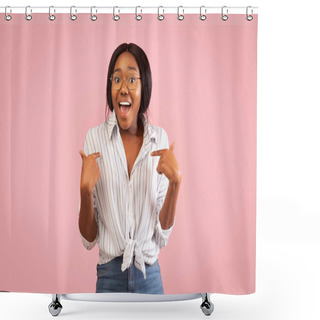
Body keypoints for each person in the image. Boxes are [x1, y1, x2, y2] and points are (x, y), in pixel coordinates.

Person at [78, 43, 182, 294]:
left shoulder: (160, 140)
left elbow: (162, 235)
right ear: (109, 86)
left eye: (132, 79)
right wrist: (84, 190)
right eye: (116, 79)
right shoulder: (94, 139)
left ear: (144, 86)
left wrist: (176, 184)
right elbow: (89, 240)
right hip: (109, 276)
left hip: (150, 276)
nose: (123, 88)